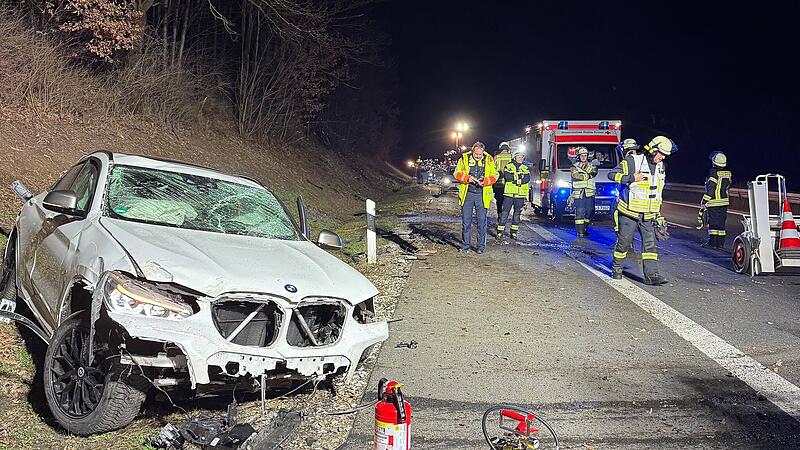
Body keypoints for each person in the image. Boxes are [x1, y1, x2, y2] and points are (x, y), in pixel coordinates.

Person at [608, 136, 676, 285]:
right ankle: (617, 269)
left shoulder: (661, 167)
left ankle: (652, 275)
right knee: (624, 242)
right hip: (629, 212)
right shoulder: (633, 161)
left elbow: (657, 192)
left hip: (648, 215)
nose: (663, 157)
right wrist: (632, 177)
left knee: (650, 245)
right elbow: (612, 175)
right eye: (661, 153)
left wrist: (658, 214)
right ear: (652, 150)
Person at [454, 141, 498, 254]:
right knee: (466, 222)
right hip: (467, 194)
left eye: (480, 154)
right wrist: (467, 178)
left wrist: (485, 181)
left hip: (482, 195)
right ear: (472, 151)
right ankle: (465, 245)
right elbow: (456, 173)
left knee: (481, 222)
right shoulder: (464, 159)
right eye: (476, 154)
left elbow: (495, 175)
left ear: (483, 152)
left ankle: (480, 247)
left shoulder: (489, 159)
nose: (478, 156)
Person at [497, 147, 530, 242]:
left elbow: (527, 179)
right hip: (509, 194)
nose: (521, 158)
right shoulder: (509, 166)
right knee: (505, 213)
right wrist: (519, 177)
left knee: (517, 214)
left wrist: (515, 177)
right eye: (519, 157)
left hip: (520, 195)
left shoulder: (525, 167)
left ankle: (513, 232)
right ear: (515, 157)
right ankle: (500, 232)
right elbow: (507, 177)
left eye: (522, 157)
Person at [699, 151, 732, 248]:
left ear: (714, 162)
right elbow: (728, 186)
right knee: (721, 224)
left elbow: (711, 188)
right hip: (724, 202)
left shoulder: (713, 173)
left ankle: (712, 243)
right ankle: (720, 244)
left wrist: (705, 200)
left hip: (713, 203)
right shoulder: (728, 173)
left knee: (713, 224)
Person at [613, 139, 641, 236]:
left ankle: (623, 243)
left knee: (620, 219)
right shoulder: (642, 161)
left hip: (627, 196)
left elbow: (612, 175)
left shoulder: (626, 162)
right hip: (639, 198)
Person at [570, 147, 598, 237]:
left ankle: (585, 227)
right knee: (580, 212)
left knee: (591, 211)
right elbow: (575, 176)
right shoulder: (574, 166)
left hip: (590, 193)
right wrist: (587, 175)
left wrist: (583, 174)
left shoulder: (592, 166)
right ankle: (580, 232)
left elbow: (594, 172)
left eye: (585, 155)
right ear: (579, 156)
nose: (583, 157)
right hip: (579, 193)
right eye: (581, 156)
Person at [493, 142, 513, 219]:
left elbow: (493, 170)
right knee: (507, 201)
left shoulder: (497, 157)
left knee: (499, 200)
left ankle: (500, 213)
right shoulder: (511, 157)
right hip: (509, 183)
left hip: (498, 183)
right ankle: (505, 215)